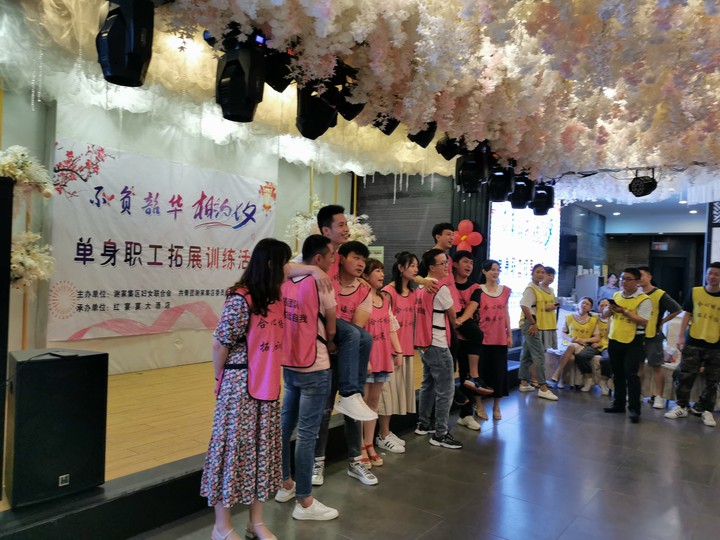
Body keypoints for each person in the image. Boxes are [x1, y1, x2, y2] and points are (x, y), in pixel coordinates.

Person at [200, 238, 292, 540]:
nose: (288, 268)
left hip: (267, 387)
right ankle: (222, 526)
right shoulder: (241, 299)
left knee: (261, 452)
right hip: (240, 387)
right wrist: (220, 379)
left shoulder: (276, 299)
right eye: (284, 262)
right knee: (231, 451)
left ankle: (256, 522)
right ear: (271, 265)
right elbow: (220, 344)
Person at [275, 235, 339, 521]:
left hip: (290, 363)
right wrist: (332, 341)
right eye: (330, 256)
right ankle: (304, 501)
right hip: (316, 365)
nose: (333, 261)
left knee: (285, 426)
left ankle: (284, 484)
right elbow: (332, 326)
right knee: (307, 434)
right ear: (318, 258)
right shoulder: (321, 282)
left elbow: (286, 266)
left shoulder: (285, 279)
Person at [313, 240, 379, 487]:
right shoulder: (326, 278)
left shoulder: (364, 291)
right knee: (323, 410)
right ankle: (317, 462)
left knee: (354, 409)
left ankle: (355, 461)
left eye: (364, 259)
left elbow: (358, 327)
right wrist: (329, 342)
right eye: (356, 258)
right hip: (322, 351)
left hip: (346, 354)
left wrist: (337, 344)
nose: (361, 264)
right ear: (341, 258)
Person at [414, 248, 463, 449]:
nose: (446, 266)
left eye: (446, 262)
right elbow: (453, 316)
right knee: (446, 390)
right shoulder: (440, 288)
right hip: (438, 343)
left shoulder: (421, 287)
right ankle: (440, 434)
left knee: (428, 384)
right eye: (442, 263)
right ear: (432, 267)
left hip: (424, 343)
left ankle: (423, 424)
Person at [665, 262, 720, 427]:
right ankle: (681, 406)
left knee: (712, 380)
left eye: (717, 274)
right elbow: (687, 315)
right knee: (685, 375)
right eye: (710, 273)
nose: (712, 277)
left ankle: (706, 410)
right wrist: (680, 336)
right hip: (693, 340)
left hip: (715, 344)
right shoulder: (695, 292)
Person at [360, 258, 403, 466]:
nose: (381, 274)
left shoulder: (385, 299)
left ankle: (369, 443)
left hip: (382, 355)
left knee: (374, 401)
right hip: (366, 358)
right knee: (361, 402)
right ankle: (359, 444)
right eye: (376, 270)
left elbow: (391, 327)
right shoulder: (361, 299)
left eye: (382, 270)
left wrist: (399, 351)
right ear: (365, 276)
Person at [377, 251, 419, 453]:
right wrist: (394, 350)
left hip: (406, 349)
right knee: (386, 395)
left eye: (417, 266)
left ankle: (386, 430)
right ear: (401, 268)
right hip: (391, 352)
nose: (416, 269)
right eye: (412, 265)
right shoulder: (388, 292)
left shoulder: (413, 293)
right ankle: (382, 435)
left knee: (395, 394)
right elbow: (385, 324)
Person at [602, 267, 651, 424]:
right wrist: (609, 310)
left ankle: (634, 409)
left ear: (637, 281)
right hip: (615, 337)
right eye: (622, 278)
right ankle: (619, 403)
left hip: (634, 340)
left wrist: (624, 312)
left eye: (628, 279)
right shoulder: (616, 295)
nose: (624, 282)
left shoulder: (644, 299)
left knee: (631, 374)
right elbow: (604, 315)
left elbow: (644, 320)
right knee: (617, 373)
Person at [454, 251, 494, 431]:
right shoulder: (447, 284)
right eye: (465, 262)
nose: (469, 265)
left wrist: (460, 321)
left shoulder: (475, 287)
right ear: (454, 264)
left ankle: (466, 415)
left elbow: (472, 307)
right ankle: (430, 419)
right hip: (449, 336)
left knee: (466, 377)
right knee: (444, 374)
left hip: (466, 335)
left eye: (471, 262)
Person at [637, 265, 682, 409]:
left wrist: (662, 321)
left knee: (657, 366)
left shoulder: (659, 294)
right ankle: (637, 393)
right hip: (636, 335)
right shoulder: (635, 294)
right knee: (638, 366)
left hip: (653, 336)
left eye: (641, 275)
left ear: (649, 277)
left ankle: (659, 397)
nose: (639, 278)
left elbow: (676, 309)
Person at [476, 259, 513, 420]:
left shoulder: (505, 291)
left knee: (499, 374)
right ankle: (479, 405)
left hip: (499, 338)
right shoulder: (477, 290)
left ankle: (496, 406)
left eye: (498, 269)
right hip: (482, 338)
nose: (495, 272)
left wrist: (509, 334)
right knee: (480, 373)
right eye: (492, 269)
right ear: (484, 271)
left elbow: (506, 313)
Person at [517, 264, 559, 400]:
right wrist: (533, 323)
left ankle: (523, 382)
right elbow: (524, 306)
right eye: (538, 272)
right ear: (532, 273)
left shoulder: (538, 288)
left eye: (543, 272)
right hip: (531, 323)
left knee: (527, 354)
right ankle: (542, 387)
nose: (541, 274)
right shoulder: (531, 288)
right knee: (539, 355)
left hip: (535, 323)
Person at [550, 297, 600, 392]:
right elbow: (563, 332)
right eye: (583, 303)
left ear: (590, 308)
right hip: (569, 342)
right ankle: (561, 379)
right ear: (578, 304)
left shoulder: (593, 320)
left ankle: (557, 373)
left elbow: (597, 338)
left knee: (572, 346)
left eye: (587, 304)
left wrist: (584, 340)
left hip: (581, 344)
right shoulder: (569, 317)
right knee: (571, 358)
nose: (584, 305)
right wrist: (570, 338)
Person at [593, 298, 613, 396]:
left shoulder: (613, 319)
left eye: (606, 305)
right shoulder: (594, 318)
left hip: (607, 345)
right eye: (601, 305)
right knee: (582, 355)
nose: (604, 308)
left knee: (607, 359)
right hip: (593, 343)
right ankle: (588, 379)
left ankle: (603, 381)